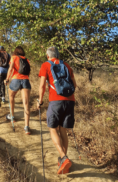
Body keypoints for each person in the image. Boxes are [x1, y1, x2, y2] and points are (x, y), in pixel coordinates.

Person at [37, 46, 77, 175]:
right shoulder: (66, 65)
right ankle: (63, 160)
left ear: (48, 56)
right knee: (63, 130)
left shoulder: (46, 65)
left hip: (56, 101)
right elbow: (74, 84)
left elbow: (42, 85)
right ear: (58, 55)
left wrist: (40, 100)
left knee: (52, 128)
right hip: (70, 100)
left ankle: (63, 158)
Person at [4, 46, 31, 135]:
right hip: (26, 81)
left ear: (15, 51)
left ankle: (12, 116)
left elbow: (10, 68)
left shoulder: (14, 57)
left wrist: (7, 79)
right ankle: (26, 127)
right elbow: (28, 72)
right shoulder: (27, 60)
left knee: (11, 96)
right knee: (26, 103)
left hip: (15, 79)